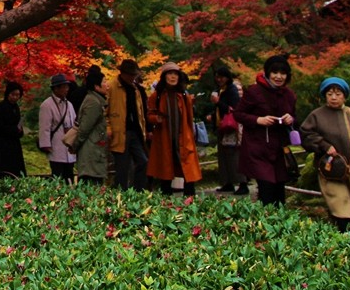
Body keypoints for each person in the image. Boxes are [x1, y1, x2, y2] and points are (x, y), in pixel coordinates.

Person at [300, 77, 350, 232]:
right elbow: (306, 135)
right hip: (332, 169)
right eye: (330, 94)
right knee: (339, 200)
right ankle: (345, 231)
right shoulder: (316, 116)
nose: (333, 97)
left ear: (344, 96)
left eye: (338, 94)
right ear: (324, 96)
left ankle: (348, 231)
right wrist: (324, 145)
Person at [234, 54, 297, 206]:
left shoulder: (289, 95)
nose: (279, 76)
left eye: (283, 73)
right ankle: (265, 224)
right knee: (267, 188)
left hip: (279, 150)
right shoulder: (254, 91)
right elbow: (238, 114)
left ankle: (281, 225)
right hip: (259, 148)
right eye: (275, 72)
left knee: (279, 190)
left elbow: (295, 116)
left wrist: (290, 119)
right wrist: (258, 120)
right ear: (268, 73)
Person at [146, 62, 203, 196]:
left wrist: (191, 134)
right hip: (165, 138)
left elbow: (189, 118)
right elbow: (149, 114)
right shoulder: (157, 95)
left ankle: (190, 201)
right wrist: (156, 119)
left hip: (184, 137)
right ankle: (166, 202)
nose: (173, 77)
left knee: (188, 171)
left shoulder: (183, 95)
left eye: (175, 74)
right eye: (170, 74)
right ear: (164, 76)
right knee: (165, 170)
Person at [106, 59, 148, 190]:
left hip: (135, 131)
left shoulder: (135, 89)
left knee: (143, 162)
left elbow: (140, 112)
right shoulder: (112, 86)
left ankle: (138, 191)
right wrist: (109, 128)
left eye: (134, 75)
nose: (133, 77)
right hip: (119, 132)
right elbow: (105, 110)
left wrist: (144, 130)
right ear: (123, 73)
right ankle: (120, 194)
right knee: (122, 168)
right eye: (131, 74)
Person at [211, 65, 248, 195]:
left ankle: (242, 183)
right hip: (221, 126)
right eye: (217, 77)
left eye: (222, 77)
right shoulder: (220, 90)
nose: (219, 79)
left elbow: (234, 108)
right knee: (223, 156)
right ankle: (227, 182)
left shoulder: (231, 90)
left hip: (231, 127)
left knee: (233, 155)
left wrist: (218, 102)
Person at [71, 66, 109, 185]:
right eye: (104, 82)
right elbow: (84, 128)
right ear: (96, 87)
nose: (107, 84)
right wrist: (75, 145)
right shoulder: (94, 103)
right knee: (92, 185)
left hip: (94, 150)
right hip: (92, 152)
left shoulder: (95, 101)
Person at [38, 73, 77, 182]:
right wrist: (46, 145)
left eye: (67, 86)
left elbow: (74, 123)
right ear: (56, 88)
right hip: (56, 147)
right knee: (58, 177)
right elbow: (44, 127)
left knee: (69, 177)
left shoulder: (69, 104)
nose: (67, 89)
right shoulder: (47, 105)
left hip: (69, 147)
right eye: (64, 87)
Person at [0, 81, 27, 177]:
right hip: (2, 144)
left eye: (18, 95)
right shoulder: (1, 107)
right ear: (8, 94)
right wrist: (13, 129)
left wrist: (19, 131)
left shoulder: (16, 107)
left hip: (14, 143)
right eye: (13, 94)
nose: (15, 97)